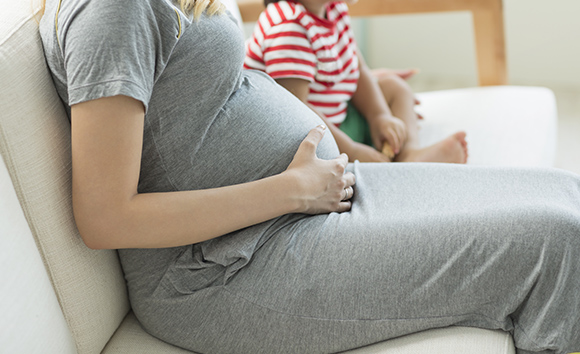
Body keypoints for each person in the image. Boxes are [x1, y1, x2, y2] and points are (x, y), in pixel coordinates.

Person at [38, 0, 580, 353]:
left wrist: (354, 90)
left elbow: (201, 98)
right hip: (224, 269)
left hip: (311, 201)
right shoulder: (113, 13)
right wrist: (289, 191)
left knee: (567, 194)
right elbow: (104, 217)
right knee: (554, 241)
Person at [244, 0, 468, 164]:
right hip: (309, 135)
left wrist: (380, 116)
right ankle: (391, 169)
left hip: (336, 116)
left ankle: (409, 154)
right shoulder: (289, 27)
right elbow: (297, 111)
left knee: (394, 87)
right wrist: (351, 150)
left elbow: (358, 69)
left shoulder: (334, 9)